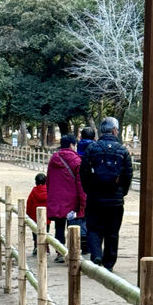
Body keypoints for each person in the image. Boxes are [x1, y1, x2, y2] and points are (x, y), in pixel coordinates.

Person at [79, 116, 133, 271]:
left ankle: (96, 254)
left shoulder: (92, 149)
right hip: (115, 199)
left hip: (95, 197)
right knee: (112, 231)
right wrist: (122, 192)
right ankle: (109, 263)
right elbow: (128, 175)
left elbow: (83, 172)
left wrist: (88, 190)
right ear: (115, 130)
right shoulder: (122, 150)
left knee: (93, 228)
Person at [46, 134, 86, 263]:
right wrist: (83, 202)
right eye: (75, 145)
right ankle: (72, 253)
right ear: (71, 145)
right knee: (73, 226)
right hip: (72, 200)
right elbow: (80, 184)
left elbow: (49, 180)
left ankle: (60, 252)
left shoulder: (53, 159)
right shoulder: (76, 161)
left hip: (57, 199)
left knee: (59, 227)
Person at [26, 173, 49, 255]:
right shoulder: (49, 191)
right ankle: (46, 247)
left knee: (35, 232)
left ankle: (36, 246)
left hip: (35, 215)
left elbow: (29, 203)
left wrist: (28, 214)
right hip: (46, 216)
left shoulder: (34, 191)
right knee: (46, 231)